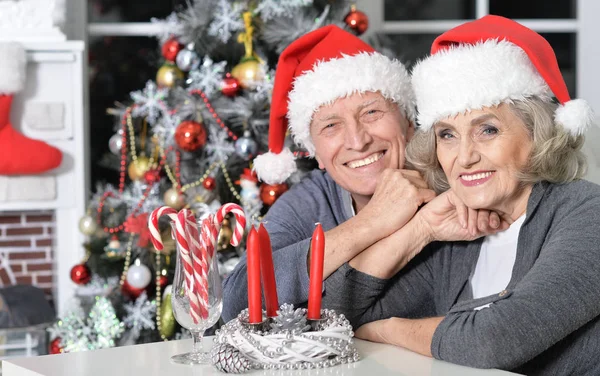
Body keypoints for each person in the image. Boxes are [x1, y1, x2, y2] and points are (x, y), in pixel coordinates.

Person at [324, 15, 600, 375]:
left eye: (487, 129)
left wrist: (389, 330)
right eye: (448, 135)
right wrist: (419, 229)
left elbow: (495, 341)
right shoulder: (459, 230)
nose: (465, 157)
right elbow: (332, 315)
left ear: (538, 134)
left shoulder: (586, 214)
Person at [221, 25, 502, 321]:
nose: (358, 141)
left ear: (408, 122)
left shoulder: (460, 178)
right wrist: (373, 221)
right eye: (331, 126)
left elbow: (482, 323)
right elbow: (236, 303)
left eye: (371, 113)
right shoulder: (309, 201)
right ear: (316, 153)